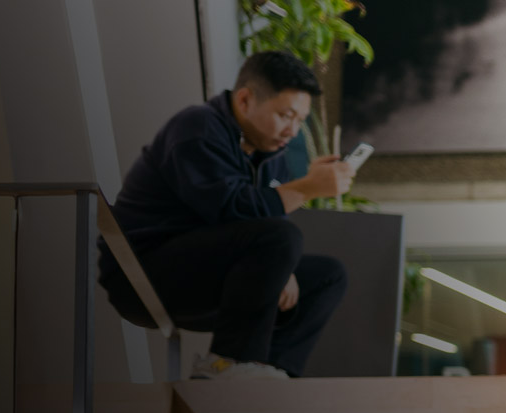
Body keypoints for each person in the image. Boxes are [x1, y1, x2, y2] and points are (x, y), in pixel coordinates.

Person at [102, 51, 352, 379]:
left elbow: (264, 222)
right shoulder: (197, 127)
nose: (292, 130)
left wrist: (283, 265)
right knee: (282, 239)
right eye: (285, 115)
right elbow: (229, 210)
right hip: (143, 272)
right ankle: (227, 366)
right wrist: (306, 189)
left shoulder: (270, 151)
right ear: (246, 100)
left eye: (300, 120)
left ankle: (272, 376)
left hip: (211, 271)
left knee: (327, 276)